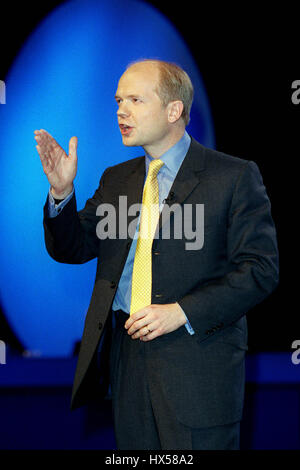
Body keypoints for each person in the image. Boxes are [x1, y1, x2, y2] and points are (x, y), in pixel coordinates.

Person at [35, 59, 279, 450]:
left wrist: (182, 311)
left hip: (198, 364)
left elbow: (259, 270)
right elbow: (72, 247)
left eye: (135, 99)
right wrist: (62, 194)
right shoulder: (116, 180)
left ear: (173, 110)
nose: (121, 111)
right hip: (127, 363)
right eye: (118, 100)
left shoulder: (232, 177)